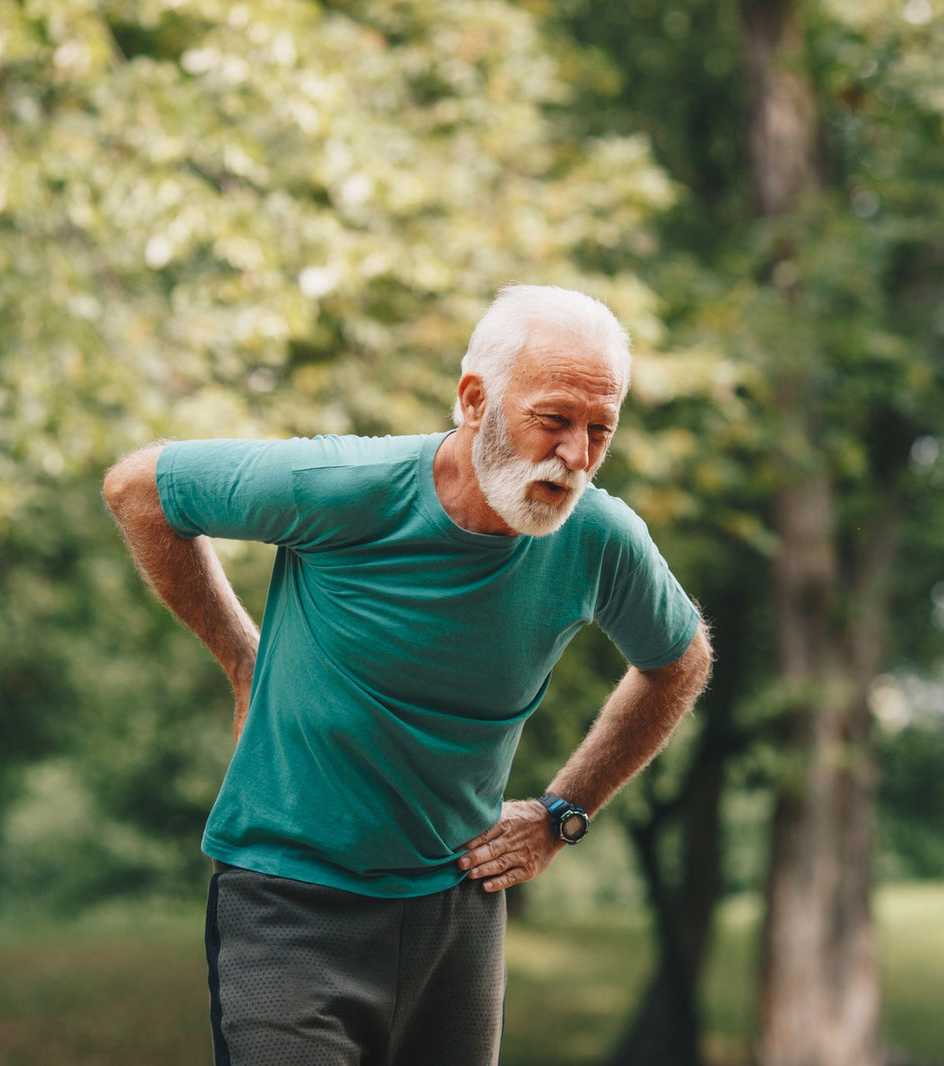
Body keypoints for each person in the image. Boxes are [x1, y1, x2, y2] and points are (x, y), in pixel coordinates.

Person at [102, 284, 713, 1066]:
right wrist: (241, 655)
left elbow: (678, 660)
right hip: (290, 903)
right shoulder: (348, 486)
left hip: (457, 912)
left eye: (601, 431)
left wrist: (564, 811)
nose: (575, 456)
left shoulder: (598, 538)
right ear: (473, 400)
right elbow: (139, 488)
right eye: (554, 420)